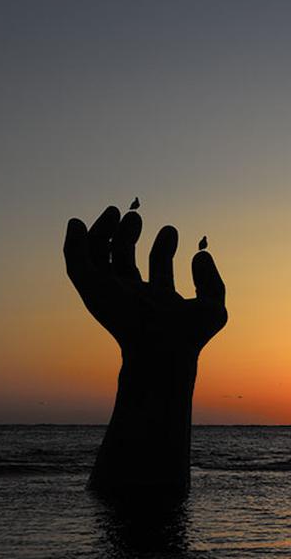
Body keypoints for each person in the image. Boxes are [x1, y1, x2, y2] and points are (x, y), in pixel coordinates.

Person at [63, 205, 228, 496]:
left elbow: (139, 517)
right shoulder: (179, 334)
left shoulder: (167, 332)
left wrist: (162, 348)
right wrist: (174, 352)